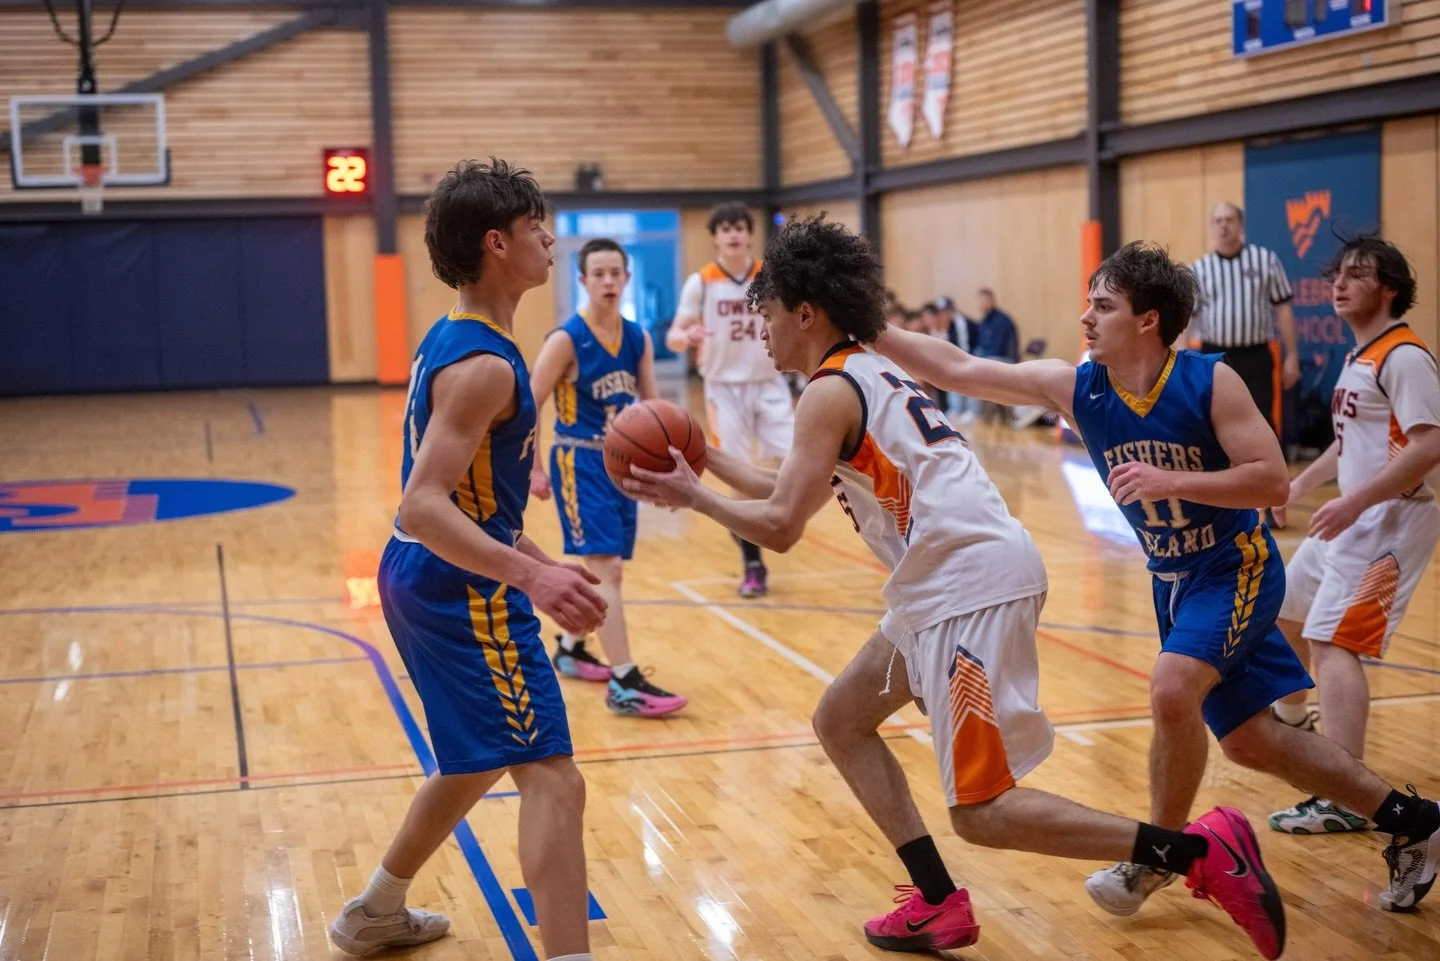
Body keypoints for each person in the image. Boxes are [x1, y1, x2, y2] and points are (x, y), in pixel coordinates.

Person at [628, 218, 1290, 960]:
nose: (761, 330)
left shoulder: (828, 391)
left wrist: (694, 499)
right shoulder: (863, 371)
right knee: (842, 718)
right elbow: (786, 487)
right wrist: (704, 455)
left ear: (806, 312)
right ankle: (937, 901)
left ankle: (1195, 853)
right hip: (939, 585)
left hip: (964, 588)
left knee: (982, 810)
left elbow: (781, 525)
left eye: (767, 313)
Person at [874, 240, 1440, 920]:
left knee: (1172, 687)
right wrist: (866, 326)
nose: (1086, 317)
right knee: (1252, 740)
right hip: (1171, 578)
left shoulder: (1210, 381)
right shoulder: (1076, 385)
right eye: (1088, 302)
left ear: (1147, 321)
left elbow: (1268, 479)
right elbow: (958, 366)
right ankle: (1414, 819)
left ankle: (1159, 855)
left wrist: (1172, 479)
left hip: (1235, 566)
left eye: (1103, 306)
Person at [328, 159, 607, 961]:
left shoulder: (459, 339)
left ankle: (375, 909)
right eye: (535, 227)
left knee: (477, 756)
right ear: (497, 243)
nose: (550, 238)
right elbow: (424, 501)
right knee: (553, 775)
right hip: (457, 587)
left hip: (429, 571)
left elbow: (469, 502)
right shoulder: (485, 362)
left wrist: (538, 555)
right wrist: (531, 575)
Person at [1266, 236, 1440, 834]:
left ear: (1389, 288)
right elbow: (1348, 443)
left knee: (1335, 643)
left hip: (1391, 520)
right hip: (1353, 513)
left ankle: (1345, 796)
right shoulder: (1358, 355)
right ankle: (1295, 732)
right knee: (1283, 612)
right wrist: (1298, 485)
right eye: (1336, 274)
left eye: (1357, 275)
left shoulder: (1405, 357)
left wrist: (1354, 502)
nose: (1339, 284)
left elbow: (1429, 446)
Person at [529, 237, 688, 718]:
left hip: (623, 465)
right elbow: (528, 404)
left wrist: (669, 464)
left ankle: (572, 649)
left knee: (608, 569)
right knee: (605, 569)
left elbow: (654, 406)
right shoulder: (565, 340)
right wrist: (534, 468)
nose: (607, 281)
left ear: (626, 277)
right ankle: (624, 682)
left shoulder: (637, 337)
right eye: (597, 274)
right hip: (578, 461)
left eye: (615, 272)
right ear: (582, 281)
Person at [667, 202, 794, 598]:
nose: (734, 234)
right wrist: (685, 338)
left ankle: (754, 530)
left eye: (740, 227)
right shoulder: (701, 282)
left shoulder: (770, 277)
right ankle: (752, 563)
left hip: (770, 382)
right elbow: (673, 335)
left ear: (750, 234)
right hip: (724, 389)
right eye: (726, 229)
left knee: (793, 464)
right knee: (739, 476)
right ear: (715, 238)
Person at [1187, 203, 1300, 435]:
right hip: (1215, 356)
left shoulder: (1265, 260)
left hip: (1255, 355)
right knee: (1214, 422)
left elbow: (1284, 310)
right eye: (1218, 221)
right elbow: (1187, 317)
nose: (1223, 226)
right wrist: (1180, 357)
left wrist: (1293, 357)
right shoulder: (1199, 269)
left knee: (1261, 421)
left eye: (1229, 220)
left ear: (1240, 225)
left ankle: (1267, 472)